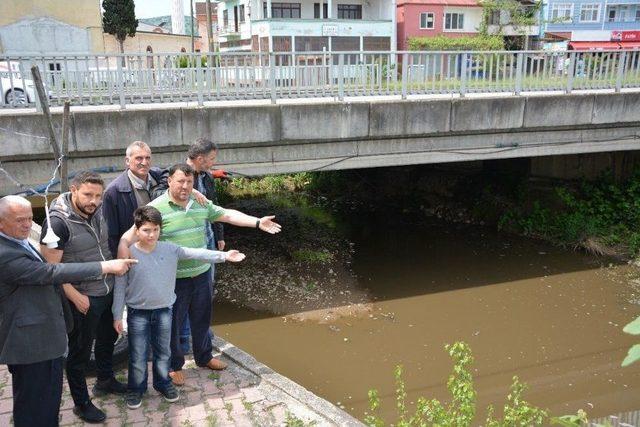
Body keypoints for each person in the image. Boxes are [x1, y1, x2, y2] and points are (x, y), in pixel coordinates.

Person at [118, 163, 281, 387]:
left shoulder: (200, 202)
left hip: (202, 273)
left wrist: (256, 222)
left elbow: (227, 215)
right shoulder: (157, 208)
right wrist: (123, 256)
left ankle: (204, 357)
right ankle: (174, 366)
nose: (185, 186)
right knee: (172, 325)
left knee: (202, 319)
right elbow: (130, 236)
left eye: (189, 182)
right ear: (169, 181)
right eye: (180, 182)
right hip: (173, 279)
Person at [0, 195, 136, 427]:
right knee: (35, 402)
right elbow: (51, 273)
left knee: (48, 398)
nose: (27, 225)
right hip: (30, 343)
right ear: (1, 222)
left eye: (30, 219)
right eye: (19, 220)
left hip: (44, 337)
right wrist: (105, 266)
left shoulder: (17, 241)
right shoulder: (4, 254)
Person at [112, 206, 245, 409]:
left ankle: (163, 383)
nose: (151, 234)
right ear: (137, 230)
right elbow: (120, 286)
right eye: (146, 230)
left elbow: (196, 253)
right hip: (137, 312)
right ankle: (136, 389)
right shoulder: (128, 254)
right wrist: (117, 315)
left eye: (156, 230)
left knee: (163, 352)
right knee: (138, 354)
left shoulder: (170, 249)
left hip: (164, 310)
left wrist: (224, 256)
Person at [40, 171, 127, 424]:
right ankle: (81, 403)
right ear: (73, 189)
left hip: (106, 290)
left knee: (107, 338)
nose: (94, 201)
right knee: (78, 353)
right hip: (83, 297)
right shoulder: (57, 223)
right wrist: (75, 296)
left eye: (98, 196)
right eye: (88, 194)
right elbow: (50, 270)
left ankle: (105, 380)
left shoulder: (96, 210)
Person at [154, 138, 227, 355]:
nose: (213, 164)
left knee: (204, 290)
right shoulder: (176, 175)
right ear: (200, 158)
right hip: (179, 246)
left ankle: (201, 338)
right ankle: (182, 341)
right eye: (211, 159)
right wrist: (189, 190)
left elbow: (215, 208)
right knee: (180, 297)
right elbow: (158, 197)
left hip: (206, 238)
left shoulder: (206, 177)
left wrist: (219, 234)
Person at [102, 141, 164, 258]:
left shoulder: (160, 177)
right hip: (133, 255)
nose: (144, 163)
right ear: (127, 161)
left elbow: (177, 176)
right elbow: (111, 235)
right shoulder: (113, 192)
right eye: (139, 158)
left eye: (147, 158)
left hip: (160, 251)